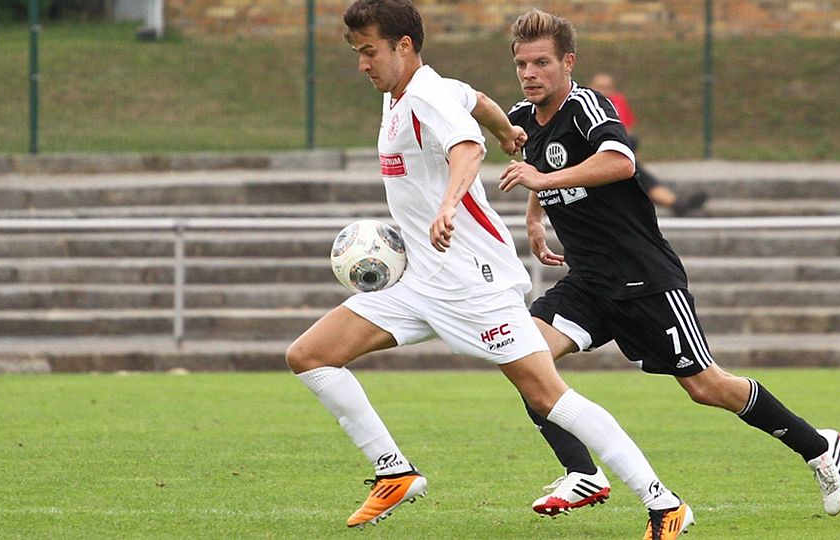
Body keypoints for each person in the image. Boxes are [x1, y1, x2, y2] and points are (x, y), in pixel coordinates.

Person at [286, 1, 693, 535]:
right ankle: (394, 471)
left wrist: (449, 204)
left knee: (548, 396)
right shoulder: (413, 91)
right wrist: (508, 133)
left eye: (370, 52)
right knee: (310, 355)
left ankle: (663, 503)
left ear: (404, 47)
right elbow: (476, 100)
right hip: (420, 280)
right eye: (358, 53)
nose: (363, 64)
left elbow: (466, 148)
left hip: (472, 282)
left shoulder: (426, 96)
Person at [497, 7, 840, 530]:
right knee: (524, 358)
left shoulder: (587, 106)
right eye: (522, 64)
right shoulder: (522, 117)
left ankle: (818, 445)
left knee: (707, 387)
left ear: (568, 62)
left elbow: (621, 162)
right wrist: (534, 216)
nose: (530, 74)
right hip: (589, 282)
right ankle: (583, 473)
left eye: (541, 62)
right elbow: (538, 165)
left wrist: (542, 185)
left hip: (645, 278)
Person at [588, 72, 707, 217]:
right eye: (600, 87)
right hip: (596, 152)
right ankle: (675, 204)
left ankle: (675, 203)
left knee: (635, 169)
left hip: (616, 150)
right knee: (636, 174)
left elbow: (626, 129)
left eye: (608, 87)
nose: (604, 91)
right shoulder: (587, 105)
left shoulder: (617, 102)